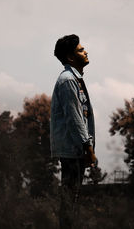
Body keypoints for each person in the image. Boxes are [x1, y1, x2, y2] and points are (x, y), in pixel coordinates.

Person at [50, 34, 97, 228]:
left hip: (75, 149)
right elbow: (75, 117)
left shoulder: (74, 79)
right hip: (73, 149)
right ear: (70, 57)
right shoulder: (68, 80)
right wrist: (87, 147)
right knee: (70, 199)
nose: (85, 51)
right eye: (80, 50)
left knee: (72, 199)